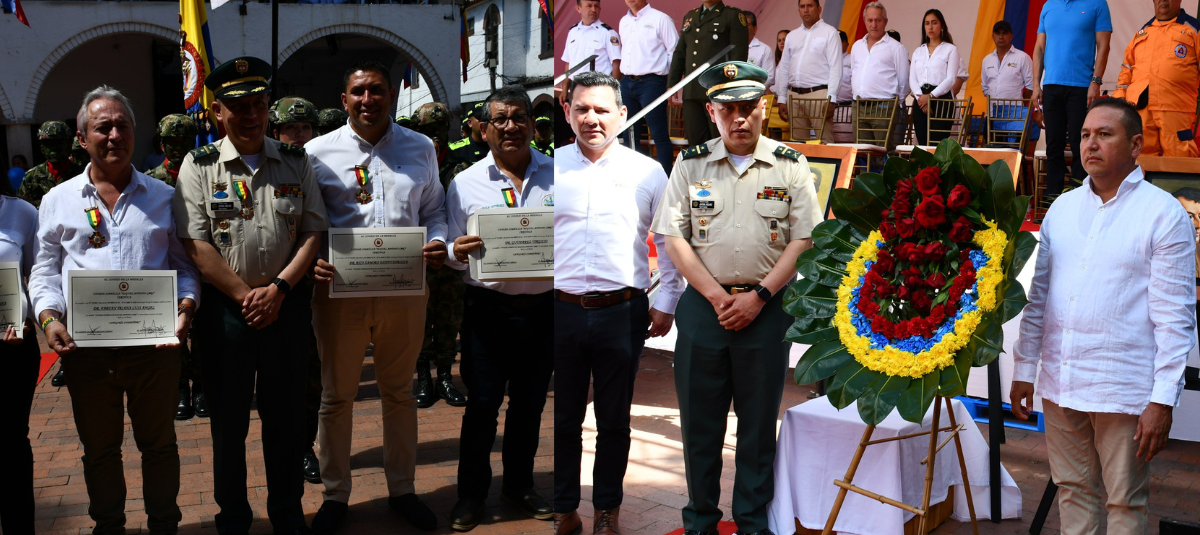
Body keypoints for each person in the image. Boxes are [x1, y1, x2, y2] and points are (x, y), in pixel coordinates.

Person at [650, 60, 821, 535]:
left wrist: (760, 296)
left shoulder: (790, 165)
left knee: (758, 428)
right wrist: (715, 296)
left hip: (766, 312)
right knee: (699, 427)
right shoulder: (690, 164)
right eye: (727, 109)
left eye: (747, 107)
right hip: (705, 312)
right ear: (711, 111)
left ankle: (751, 522)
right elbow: (674, 237)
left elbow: (804, 238)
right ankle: (700, 521)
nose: (738, 118)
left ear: (764, 107)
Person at [1012, 97, 1197, 535]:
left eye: (1104, 134)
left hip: (1122, 387)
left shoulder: (1163, 214)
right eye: (1084, 135)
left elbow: (1175, 319)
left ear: (1135, 145)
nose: (1090, 144)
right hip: (1061, 380)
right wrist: (1023, 368)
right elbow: (1039, 298)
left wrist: (1162, 401)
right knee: (1073, 490)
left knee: (1125, 502)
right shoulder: (1062, 209)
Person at [30, 85, 200, 535]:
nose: (113, 135)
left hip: (154, 348)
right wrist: (49, 318)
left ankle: (164, 524)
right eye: (102, 127)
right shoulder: (58, 199)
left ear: (134, 134)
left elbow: (185, 266)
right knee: (100, 450)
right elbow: (44, 270)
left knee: (159, 445)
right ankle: (108, 526)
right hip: (87, 351)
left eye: (122, 126)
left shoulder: (164, 196)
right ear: (82, 138)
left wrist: (185, 308)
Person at [174, 56, 328, 535]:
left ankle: (287, 512)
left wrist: (278, 289)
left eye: (259, 104)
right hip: (226, 312)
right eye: (238, 106)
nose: (250, 115)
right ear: (217, 111)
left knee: (286, 419)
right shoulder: (199, 166)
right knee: (228, 422)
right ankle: (234, 516)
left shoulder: (297, 162)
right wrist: (248, 296)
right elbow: (195, 243)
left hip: (286, 306)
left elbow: (313, 232)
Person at [303, 61, 447, 534]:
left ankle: (402, 490)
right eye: (359, 91)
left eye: (378, 90)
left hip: (404, 290)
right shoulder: (317, 153)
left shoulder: (420, 146)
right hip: (339, 292)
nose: (368, 100)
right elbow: (305, 222)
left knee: (399, 393)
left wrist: (438, 240)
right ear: (344, 99)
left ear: (391, 95)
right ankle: (335, 495)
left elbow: (435, 210)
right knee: (336, 396)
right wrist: (314, 259)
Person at [553, 71, 684, 535]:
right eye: (582, 109)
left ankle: (607, 509)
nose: (592, 118)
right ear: (567, 112)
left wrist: (667, 299)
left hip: (622, 312)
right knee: (563, 418)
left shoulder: (647, 171)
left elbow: (668, 239)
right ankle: (564, 508)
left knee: (614, 419)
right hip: (561, 310)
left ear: (623, 114)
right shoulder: (548, 168)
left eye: (602, 109)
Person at [444, 85, 554, 532]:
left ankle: (519, 486)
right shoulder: (465, 182)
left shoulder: (559, 175)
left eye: (519, 117)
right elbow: (450, 248)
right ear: (485, 129)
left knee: (529, 404)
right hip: (488, 310)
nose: (511, 127)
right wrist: (455, 250)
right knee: (483, 404)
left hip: (544, 310)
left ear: (531, 123)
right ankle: (471, 495)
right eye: (501, 119)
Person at [267, 95, 325, 485]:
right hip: (273, 288)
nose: (300, 135)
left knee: (309, 376)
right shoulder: (270, 166)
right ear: (277, 131)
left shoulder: (326, 165)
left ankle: (305, 447)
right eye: (291, 128)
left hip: (318, 286)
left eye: (306, 128)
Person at [402, 102, 470, 410]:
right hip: (416, 257)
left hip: (452, 257)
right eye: (427, 130)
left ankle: (444, 376)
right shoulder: (409, 164)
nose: (435, 135)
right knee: (419, 321)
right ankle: (423, 378)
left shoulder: (462, 164)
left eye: (440, 128)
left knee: (448, 319)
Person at [143, 114, 209, 424]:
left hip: (204, 264)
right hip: (167, 267)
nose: (178, 147)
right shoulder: (149, 182)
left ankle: (203, 388)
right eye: (172, 141)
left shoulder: (205, 175)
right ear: (161, 144)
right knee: (173, 331)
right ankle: (181, 388)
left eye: (185, 141)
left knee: (204, 332)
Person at [1032, 0, 1112, 204]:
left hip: (1081, 86)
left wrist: (1096, 81)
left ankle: (1080, 201)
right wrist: (1036, 85)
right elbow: (1039, 47)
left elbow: (1104, 46)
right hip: (1051, 85)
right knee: (1053, 147)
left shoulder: (1097, 4)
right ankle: (1052, 202)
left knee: (1081, 146)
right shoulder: (1049, 5)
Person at [1112, 0, 1200, 158]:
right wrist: (1119, 97)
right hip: (1139, 110)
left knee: (1179, 160)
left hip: (1175, 109)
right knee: (1141, 159)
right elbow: (1127, 68)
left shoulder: (1194, 30)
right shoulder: (1142, 32)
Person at [0, 180, 39, 535]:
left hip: (11, 348)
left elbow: (38, 275)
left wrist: (33, 315)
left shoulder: (21, 212)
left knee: (12, 444)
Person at [668, 0, 749, 147]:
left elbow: (738, 57)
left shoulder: (732, 15)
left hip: (718, 90)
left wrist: (730, 89)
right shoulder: (691, 16)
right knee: (696, 143)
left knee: (720, 141)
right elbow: (680, 52)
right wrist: (672, 83)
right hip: (691, 90)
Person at [617, 0, 678, 174]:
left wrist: (670, 83)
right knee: (629, 134)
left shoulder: (660, 19)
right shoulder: (624, 21)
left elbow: (674, 51)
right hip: (626, 81)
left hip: (652, 82)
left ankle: (664, 179)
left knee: (658, 133)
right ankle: (634, 176)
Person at [774, 0, 842, 142]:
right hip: (794, 96)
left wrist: (831, 98)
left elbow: (835, 67)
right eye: (802, 6)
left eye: (810, 6)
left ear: (819, 9)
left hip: (819, 94)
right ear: (798, 10)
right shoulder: (792, 35)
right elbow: (784, 67)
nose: (806, 10)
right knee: (798, 144)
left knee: (824, 142)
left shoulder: (830, 32)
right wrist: (782, 98)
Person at [850, 2, 909, 146]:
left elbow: (904, 81)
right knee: (861, 150)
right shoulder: (857, 46)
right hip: (859, 105)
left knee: (883, 151)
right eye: (870, 20)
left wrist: (895, 105)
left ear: (885, 21)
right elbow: (854, 72)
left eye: (878, 20)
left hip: (884, 106)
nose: (873, 25)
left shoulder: (896, 48)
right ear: (864, 21)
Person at [908, 9, 960, 146]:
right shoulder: (918, 51)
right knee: (923, 144)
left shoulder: (950, 49)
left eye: (934, 23)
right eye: (927, 23)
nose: (930, 27)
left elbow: (951, 79)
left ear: (942, 25)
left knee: (938, 144)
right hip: (920, 100)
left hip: (941, 99)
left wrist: (930, 96)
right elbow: (912, 79)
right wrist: (922, 100)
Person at [981, 21, 1036, 146]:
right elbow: (985, 87)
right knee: (991, 152)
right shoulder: (986, 60)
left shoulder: (1022, 57)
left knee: (1013, 152)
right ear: (993, 36)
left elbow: (1030, 86)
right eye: (998, 33)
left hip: (1014, 116)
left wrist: (1018, 105)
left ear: (1011, 36)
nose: (1001, 36)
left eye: (1004, 33)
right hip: (992, 115)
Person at [18, 120, 86, 210]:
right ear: (42, 148)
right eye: (49, 144)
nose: (54, 148)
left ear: (69, 146)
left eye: (59, 142)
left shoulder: (82, 175)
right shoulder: (31, 177)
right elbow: (22, 209)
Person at [562, 0, 622, 82]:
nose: (593, 10)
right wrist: (565, 87)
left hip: (598, 84)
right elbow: (568, 63)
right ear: (578, 8)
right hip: (575, 85)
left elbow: (616, 63)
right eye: (589, 6)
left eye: (596, 6)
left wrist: (614, 87)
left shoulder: (608, 33)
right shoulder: (573, 32)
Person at [745, 13, 776, 93]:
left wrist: (752, 92)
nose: (743, 27)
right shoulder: (731, 48)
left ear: (755, 29)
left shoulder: (764, 49)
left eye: (747, 24)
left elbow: (769, 77)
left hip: (756, 96)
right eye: (741, 24)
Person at [836, 31, 853, 104]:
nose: (837, 44)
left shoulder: (853, 60)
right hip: (825, 106)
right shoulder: (825, 60)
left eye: (840, 41)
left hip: (846, 105)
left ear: (847, 44)